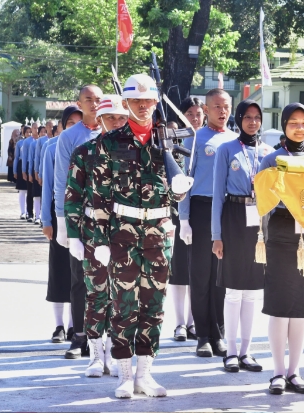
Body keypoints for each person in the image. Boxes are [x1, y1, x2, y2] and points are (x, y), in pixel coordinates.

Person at [91, 73, 193, 398]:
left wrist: (179, 189)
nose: (143, 105)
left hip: (159, 233)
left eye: (148, 100)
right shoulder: (110, 142)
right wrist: (100, 240)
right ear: (127, 103)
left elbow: (178, 189)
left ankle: (145, 375)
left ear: (155, 101)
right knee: (122, 305)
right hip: (122, 232)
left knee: (154, 304)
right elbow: (100, 197)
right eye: (136, 100)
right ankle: (123, 375)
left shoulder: (168, 138)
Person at [258, 103, 304, 395]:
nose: (300, 128)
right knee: (280, 306)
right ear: (284, 125)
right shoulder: (271, 160)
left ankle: (294, 372)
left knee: (302, 307)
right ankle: (276, 373)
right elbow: (262, 199)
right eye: (293, 123)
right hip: (281, 234)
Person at [65, 95, 128, 378]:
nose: (117, 123)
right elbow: (73, 196)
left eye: (121, 118)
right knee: (96, 294)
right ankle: (94, 354)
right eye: (111, 118)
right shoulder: (84, 152)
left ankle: (115, 352)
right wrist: (73, 236)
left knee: (121, 295)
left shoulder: (134, 150)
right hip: (92, 231)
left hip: (125, 231)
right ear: (99, 120)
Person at [179, 88, 237, 358]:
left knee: (222, 276)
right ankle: (203, 334)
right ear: (206, 109)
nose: (222, 111)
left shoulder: (236, 140)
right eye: (216, 106)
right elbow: (184, 183)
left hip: (227, 212)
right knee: (201, 275)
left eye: (226, 106)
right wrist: (184, 218)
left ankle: (219, 333)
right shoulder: (195, 139)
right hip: (202, 210)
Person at [211, 99, 265, 373]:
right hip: (232, 218)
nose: (252, 122)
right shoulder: (226, 149)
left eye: (257, 117)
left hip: (259, 223)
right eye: (247, 117)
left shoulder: (267, 153)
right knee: (233, 291)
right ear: (239, 118)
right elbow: (216, 196)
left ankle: (247, 351)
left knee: (253, 293)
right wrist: (216, 235)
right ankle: (230, 352)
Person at [54, 85, 104, 359]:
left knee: (108, 280)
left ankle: (102, 337)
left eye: (98, 99)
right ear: (79, 103)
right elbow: (61, 179)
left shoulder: (113, 132)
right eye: (89, 100)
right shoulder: (70, 137)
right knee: (79, 278)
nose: (94, 104)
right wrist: (62, 221)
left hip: (109, 218)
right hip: (80, 216)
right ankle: (79, 336)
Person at [41, 105, 82, 343]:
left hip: (82, 218)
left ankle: (73, 325)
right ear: (62, 126)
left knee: (78, 273)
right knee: (58, 270)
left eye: (79, 122)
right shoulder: (52, 148)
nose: (74, 127)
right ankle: (58, 325)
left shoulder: (90, 147)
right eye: (70, 124)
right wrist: (47, 220)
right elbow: (48, 187)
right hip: (60, 217)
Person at [168, 97, 204, 342]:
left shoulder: (211, 141)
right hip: (178, 212)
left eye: (198, 113)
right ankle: (180, 323)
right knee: (179, 273)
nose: (194, 118)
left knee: (198, 274)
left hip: (202, 213)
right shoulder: (174, 141)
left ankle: (194, 322)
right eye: (189, 113)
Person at [29, 125, 47, 225]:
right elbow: (36, 158)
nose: (43, 133)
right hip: (39, 170)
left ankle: (43, 217)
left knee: (45, 196)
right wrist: (35, 172)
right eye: (42, 131)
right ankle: (37, 216)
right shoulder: (37, 143)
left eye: (45, 131)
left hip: (47, 171)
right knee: (37, 194)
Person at [22, 122, 39, 222]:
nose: (36, 130)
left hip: (38, 167)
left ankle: (38, 214)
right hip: (30, 166)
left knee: (38, 192)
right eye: (34, 128)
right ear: (31, 129)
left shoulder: (42, 141)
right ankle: (29, 213)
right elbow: (24, 157)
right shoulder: (27, 142)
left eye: (37, 128)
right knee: (30, 191)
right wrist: (24, 171)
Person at [13, 126, 31, 220]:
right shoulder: (20, 143)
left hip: (30, 165)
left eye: (30, 132)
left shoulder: (33, 142)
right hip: (21, 166)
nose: (29, 134)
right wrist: (15, 170)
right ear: (23, 133)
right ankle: (22, 212)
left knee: (30, 191)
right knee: (22, 190)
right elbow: (16, 158)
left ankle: (29, 212)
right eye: (27, 132)